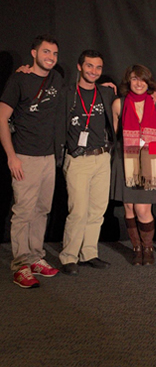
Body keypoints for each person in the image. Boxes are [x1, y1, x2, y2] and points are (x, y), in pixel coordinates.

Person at [0, 35, 62, 288]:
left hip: (48, 157)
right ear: (33, 53)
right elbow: (2, 119)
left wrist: (109, 87)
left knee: (41, 210)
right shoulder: (19, 79)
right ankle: (20, 265)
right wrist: (11, 156)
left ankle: (36, 256)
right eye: (46, 52)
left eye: (55, 53)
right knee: (23, 213)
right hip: (24, 156)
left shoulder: (57, 78)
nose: (51, 57)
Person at [58, 50, 116, 275]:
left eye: (98, 68)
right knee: (78, 211)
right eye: (89, 66)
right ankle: (68, 256)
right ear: (80, 66)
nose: (94, 71)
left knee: (97, 210)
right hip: (78, 159)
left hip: (101, 157)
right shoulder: (67, 93)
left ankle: (89, 253)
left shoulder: (106, 92)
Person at [111, 65, 156, 266]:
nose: (139, 83)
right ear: (128, 81)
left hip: (149, 160)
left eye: (142, 80)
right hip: (125, 159)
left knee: (142, 209)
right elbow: (115, 134)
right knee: (129, 208)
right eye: (134, 79)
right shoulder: (118, 104)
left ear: (148, 82)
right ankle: (137, 248)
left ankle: (148, 248)